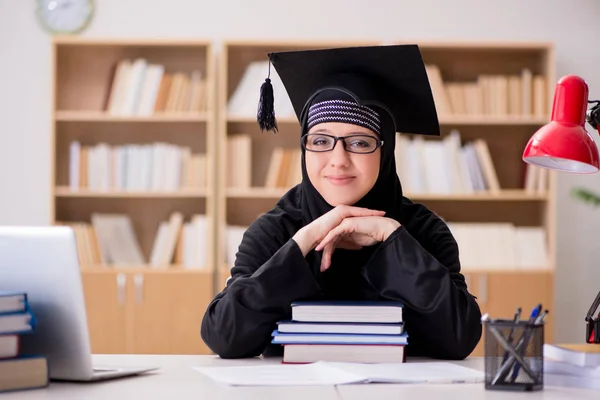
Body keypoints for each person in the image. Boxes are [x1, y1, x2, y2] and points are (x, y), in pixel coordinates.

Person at [201, 44, 482, 360]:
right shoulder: (275, 230)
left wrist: (392, 239)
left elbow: (461, 338)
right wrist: (303, 242)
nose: (338, 160)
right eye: (321, 141)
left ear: (385, 152)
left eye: (359, 142)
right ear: (304, 147)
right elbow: (224, 337)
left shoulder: (423, 231)